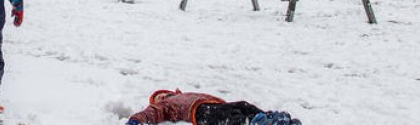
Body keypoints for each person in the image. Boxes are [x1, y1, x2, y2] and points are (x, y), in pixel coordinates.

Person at [124, 90, 300, 125]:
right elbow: (151, 113)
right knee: (227, 119)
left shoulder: (182, 94)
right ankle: (251, 123)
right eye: (157, 98)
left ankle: (269, 117)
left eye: (162, 94)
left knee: (242, 105)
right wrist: (136, 120)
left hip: (213, 104)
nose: (161, 98)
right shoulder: (165, 106)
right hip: (198, 113)